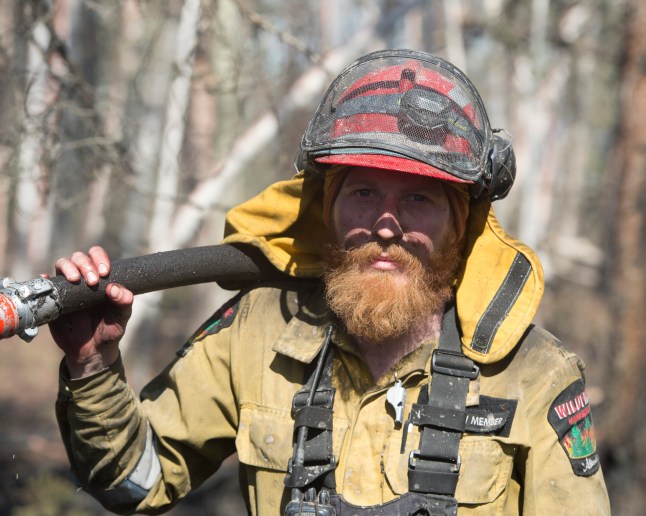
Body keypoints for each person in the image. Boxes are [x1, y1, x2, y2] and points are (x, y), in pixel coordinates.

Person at [51, 49, 610, 515]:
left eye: (418, 198)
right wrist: (92, 367)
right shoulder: (258, 331)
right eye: (364, 192)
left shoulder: (532, 375)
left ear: (459, 224)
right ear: (327, 208)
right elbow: (132, 483)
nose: (387, 225)